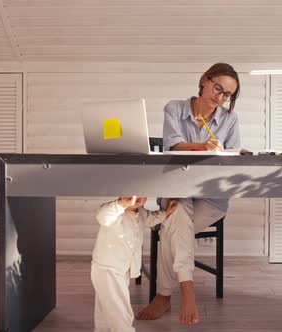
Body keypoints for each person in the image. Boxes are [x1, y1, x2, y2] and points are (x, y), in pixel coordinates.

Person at [136, 63, 241, 325]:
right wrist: (202, 146)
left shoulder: (229, 120)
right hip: (176, 190)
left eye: (227, 94)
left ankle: (164, 295)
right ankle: (186, 288)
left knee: (172, 223)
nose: (220, 96)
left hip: (210, 197)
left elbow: (234, 161)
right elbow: (172, 146)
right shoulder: (175, 108)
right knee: (177, 211)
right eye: (218, 87)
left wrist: (221, 154)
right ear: (205, 80)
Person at [91, 196, 177, 332]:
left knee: (107, 305)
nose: (137, 197)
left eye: (142, 194)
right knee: (120, 307)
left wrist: (165, 213)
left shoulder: (141, 213)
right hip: (108, 269)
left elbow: (151, 219)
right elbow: (102, 216)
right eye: (132, 193)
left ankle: (103, 329)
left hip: (121, 269)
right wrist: (120, 204)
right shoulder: (115, 212)